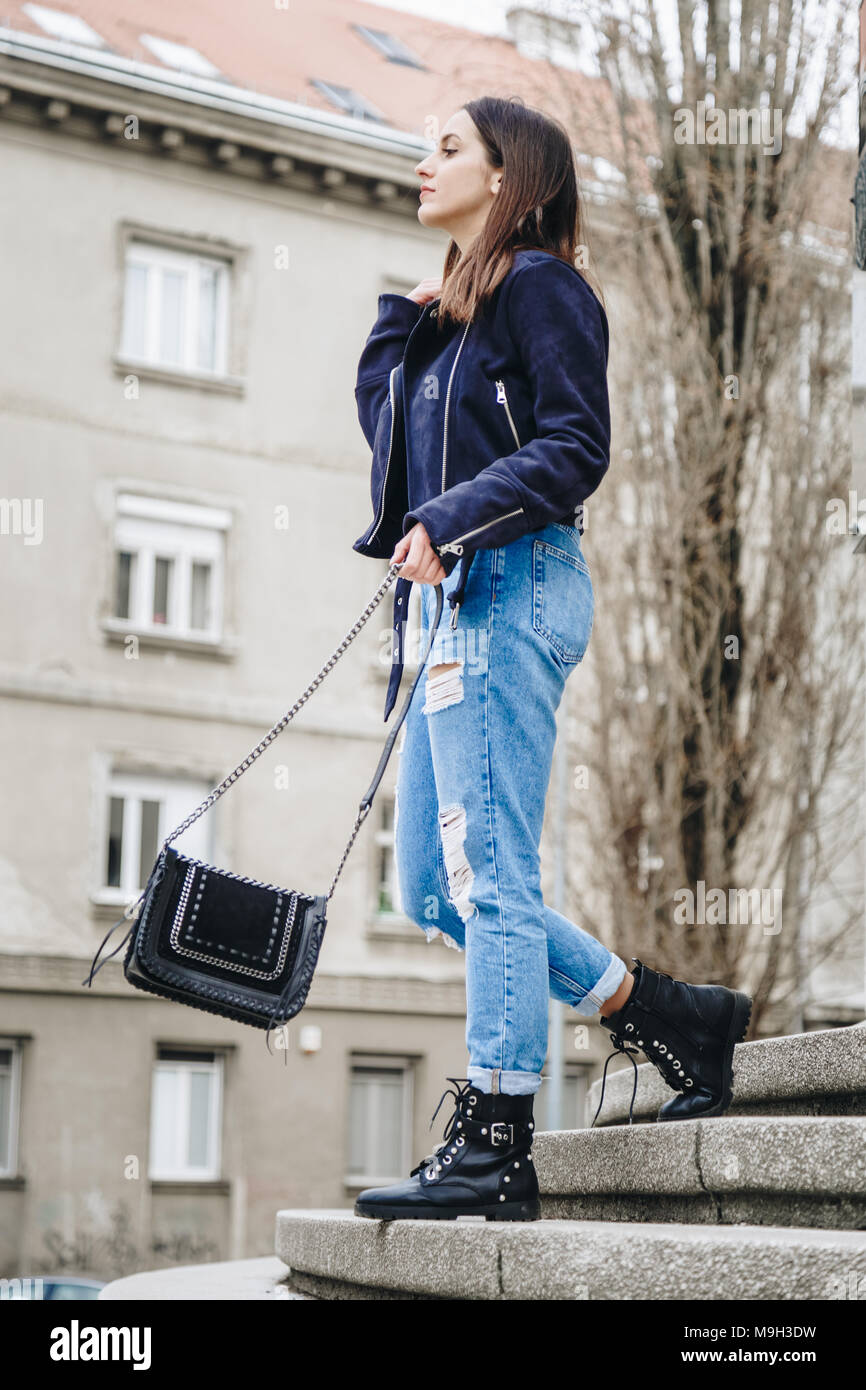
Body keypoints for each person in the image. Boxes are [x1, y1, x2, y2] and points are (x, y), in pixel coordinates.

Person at [350, 96, 752, 1222]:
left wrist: (460, 517)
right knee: (433, 886)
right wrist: (405, 322)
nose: (421, 160)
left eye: (445, 147)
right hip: (443, 609)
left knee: (493, 874)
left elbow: (577, 447)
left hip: (513, 584)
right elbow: (390, 468)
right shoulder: (456, 315)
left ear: (508, 173)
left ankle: (495, 1133)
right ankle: (667, 1013)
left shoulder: (542, 288)